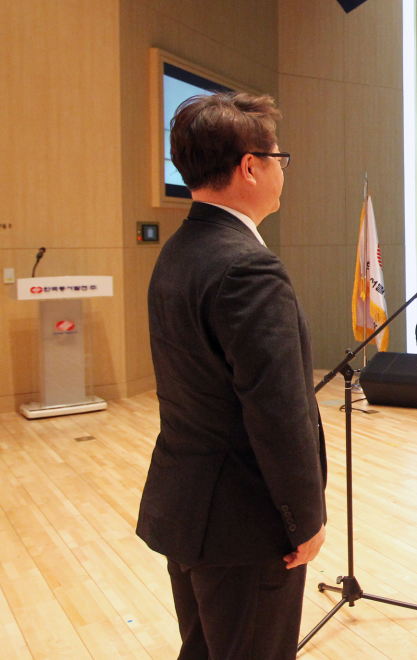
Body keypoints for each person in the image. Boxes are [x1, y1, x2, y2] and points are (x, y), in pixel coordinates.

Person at [138, 92, 326, 659]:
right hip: (246, 524)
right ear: (250, 166)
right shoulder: (248, 266)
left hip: (188, 508)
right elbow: (278, 412)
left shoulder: (178, 251)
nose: (281, 172)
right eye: (279, 158)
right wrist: (305, 519)